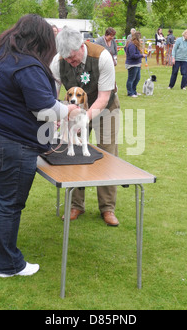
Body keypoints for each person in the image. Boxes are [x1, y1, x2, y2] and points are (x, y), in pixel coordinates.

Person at [0, 15, 80, 277]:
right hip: (10, 143)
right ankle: (7, 265)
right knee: (9, 203)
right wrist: (67, 110)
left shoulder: (0, 53)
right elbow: (44, 107)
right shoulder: (27, 65)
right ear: (41, 39)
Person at [51, 26, 120, 226]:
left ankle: (107, 208)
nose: (70, 63)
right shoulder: (58, 62)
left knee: (107, 154)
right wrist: (56, 117)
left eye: (73, 58)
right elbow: (52, 94)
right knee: (73, 152)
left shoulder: (103, 57)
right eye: (67, 59)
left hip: (105, 106)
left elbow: (103, 97)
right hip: (73, 107)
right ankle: (75, 205)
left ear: (82, 46)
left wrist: (84, 120)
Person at [124, 31, 146, 97]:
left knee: (137, 78)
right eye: (140, 38)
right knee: (131, 79)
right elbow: (133, 55)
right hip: (132, 64)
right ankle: (130, 92)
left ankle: (134, 91)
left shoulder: (135, 44)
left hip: (137, 64)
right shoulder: (132, 45)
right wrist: (142, 55)